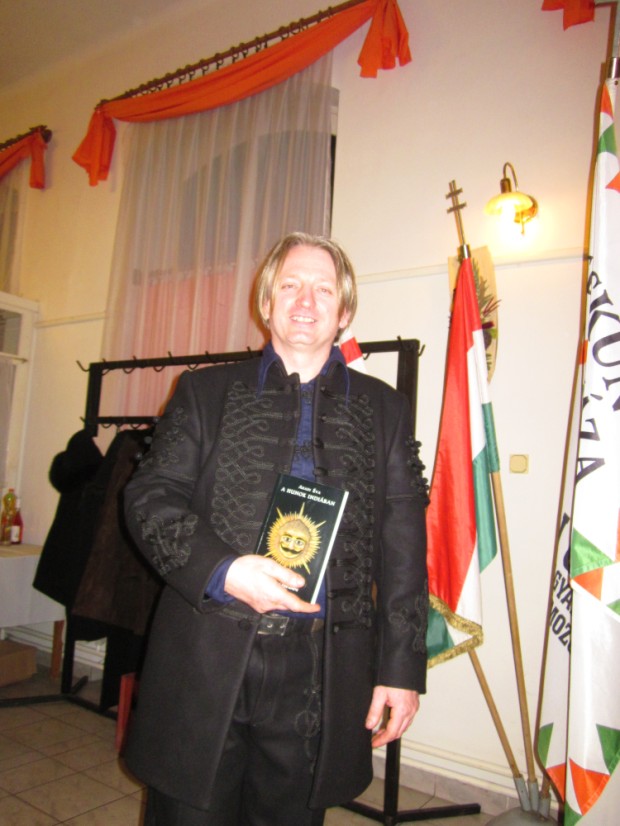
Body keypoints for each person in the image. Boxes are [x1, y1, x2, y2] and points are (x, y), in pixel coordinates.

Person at [123, 232, 429, 826]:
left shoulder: (385, 409)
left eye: (323, 289)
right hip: (205, 656)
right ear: (266, 302)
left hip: (322, 670)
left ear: (345, 311)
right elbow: (148, 497)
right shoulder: (204, 392)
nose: (305, 301)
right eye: (290, 285)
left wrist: (400, 670)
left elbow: (404, 546)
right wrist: (223, 570)